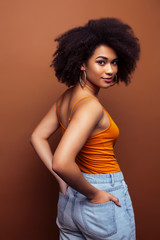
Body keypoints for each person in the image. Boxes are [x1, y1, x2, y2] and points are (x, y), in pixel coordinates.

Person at [30, 18, 140, 240]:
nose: (110, 70)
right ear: (82, 63)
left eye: (114, 62)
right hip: (100, 197)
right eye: (101, 62)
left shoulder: (67, 97)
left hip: (70, 202)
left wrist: (64, 183)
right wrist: (95, 193)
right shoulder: (90, 106)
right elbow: (61, 162)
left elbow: (37, 136)